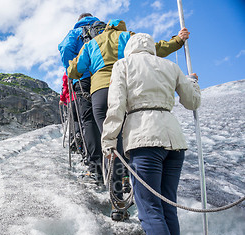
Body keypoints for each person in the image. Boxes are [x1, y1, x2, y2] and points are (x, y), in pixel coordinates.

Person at [101, 33, 201, 235]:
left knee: (149, 210)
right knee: (168, 208)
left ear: (130, 49)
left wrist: (109, 141)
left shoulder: (124, 65)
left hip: (144, 139)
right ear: (152, 48)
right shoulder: (170, 66)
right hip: (174, 141)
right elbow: (192, 102)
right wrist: (194, 84)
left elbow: (117, 104)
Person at [67, 19, 190, 220]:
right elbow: (156, 48)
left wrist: (75, 64)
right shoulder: (128, 37)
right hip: (125, 90)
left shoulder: (92, 43)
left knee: (113, 145)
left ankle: (117, 203)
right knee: (130, 144)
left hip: (99, 94)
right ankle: (133, 187)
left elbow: (74, 70)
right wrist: (178, 40)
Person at [58, 13, 104, 183]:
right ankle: (119, 170)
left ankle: (95, 169)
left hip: (83, 79)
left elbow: (65, 51)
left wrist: (73, 70)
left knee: (88, 120)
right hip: (104, 76)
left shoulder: (75, 32)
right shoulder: (103, 29)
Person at [59, 72, 84, 156]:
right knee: (83, 119)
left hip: (71, 99)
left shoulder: (67, 72)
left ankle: (76, 136)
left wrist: (62, 99)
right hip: (82, 98)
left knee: (74, 120)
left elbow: (65, 87)